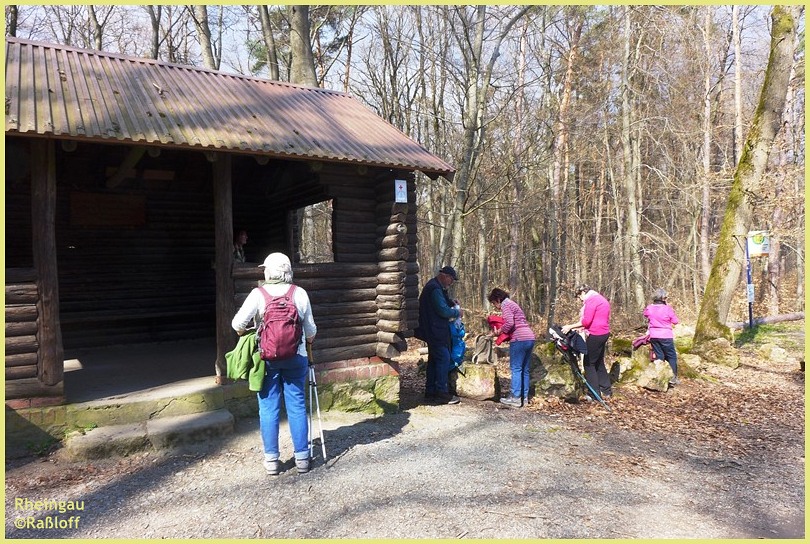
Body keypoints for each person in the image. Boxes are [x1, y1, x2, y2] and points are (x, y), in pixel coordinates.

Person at [231, 252, 317, 475]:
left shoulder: (258, 294)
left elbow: (237, 324)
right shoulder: (299, 293)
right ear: (288, 272)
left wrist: (250, 332)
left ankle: (271, 461)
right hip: (296, 357)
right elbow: (311, 331)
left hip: (266, 359)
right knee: (297, 406)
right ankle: (302, 459)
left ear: (269, 271)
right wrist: (305, 341)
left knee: (268, 407)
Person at [416, 266, 462, 405]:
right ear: (445, 276)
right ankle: (442, 393)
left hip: (432, 330)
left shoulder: (435, 287)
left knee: (434, 360)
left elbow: (442, 302)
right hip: (435, 330)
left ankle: (430, 391)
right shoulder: (434, 288)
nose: (451, 282)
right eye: (451, 279)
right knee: (443, 358)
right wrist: (457, 313)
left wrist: (451, 302)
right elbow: (442, 310)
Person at [562, 284, 612, 401]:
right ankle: (606, 390)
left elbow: (586, 321)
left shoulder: (591, 300)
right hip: (604, 333)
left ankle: (593, 394)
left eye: (579, 297)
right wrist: (579, 328)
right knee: (598, 362)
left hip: (596, 334)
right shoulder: (600, 298)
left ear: (583, 293)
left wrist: (570, 326)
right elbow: (596, 319)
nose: (580, 300)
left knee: (589, 364)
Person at [487, 288, 536, 408]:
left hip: (519, 338)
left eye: (494, 303)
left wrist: (499, 332)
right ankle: (524, 398)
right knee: (525, 369)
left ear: (498, 299)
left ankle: (515, 398)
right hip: (529, 337)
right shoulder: (513, 304)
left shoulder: (505, 305)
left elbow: (509, 323)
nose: (496, 307)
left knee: (516, 369)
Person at [644, 288, 681, 386]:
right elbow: (675, 321)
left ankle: (661, 376)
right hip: (666, 335)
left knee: (659, 356)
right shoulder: (667, 308)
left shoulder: (649, 308)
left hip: (654, 336)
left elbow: (646, 314)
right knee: (671, 356)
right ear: (663, 298)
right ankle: (673, 377)